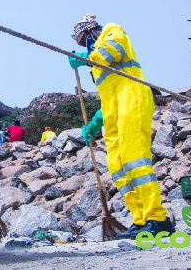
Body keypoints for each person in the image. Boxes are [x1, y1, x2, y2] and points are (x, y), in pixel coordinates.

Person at [70, 13, 174, 239]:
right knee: (117, 165)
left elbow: (110, 53)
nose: (83, 44)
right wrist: (96, 122)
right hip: (114, 108)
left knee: (133, 158)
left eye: (83, 39)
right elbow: (109, 94)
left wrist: (87, 55)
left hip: (133, 97)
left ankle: (157, 218)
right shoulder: (94, 65)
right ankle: (141, 218)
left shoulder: (111, 30)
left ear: (90, 31)